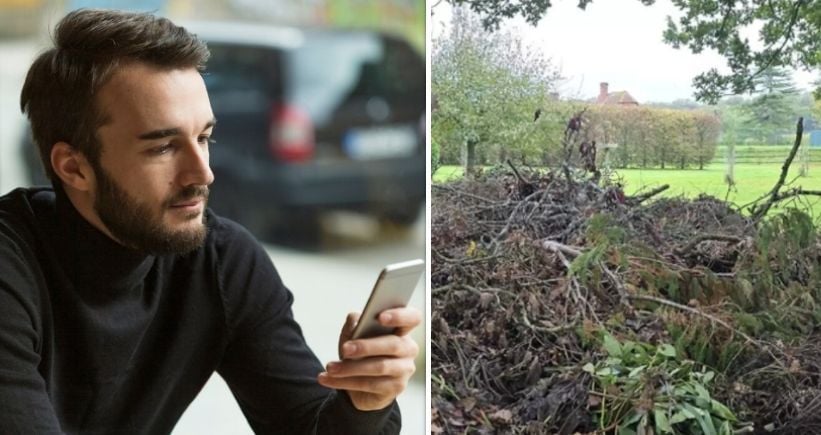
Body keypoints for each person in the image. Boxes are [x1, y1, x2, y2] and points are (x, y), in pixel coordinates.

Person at [0, 8, 421, 434]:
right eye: (163, 147)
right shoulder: (11, 269)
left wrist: (366, 402)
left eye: (204, 138)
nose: (203, 173)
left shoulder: (222, 263)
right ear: (74, 167)